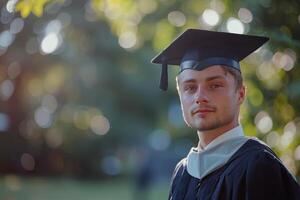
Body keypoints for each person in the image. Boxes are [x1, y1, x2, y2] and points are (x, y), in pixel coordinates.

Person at [151, 29, 300, 200]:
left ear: (241, 94)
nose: (200, 97)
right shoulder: (183, 172)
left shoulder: (259, 166)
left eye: (214, 85)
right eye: (190, 88)